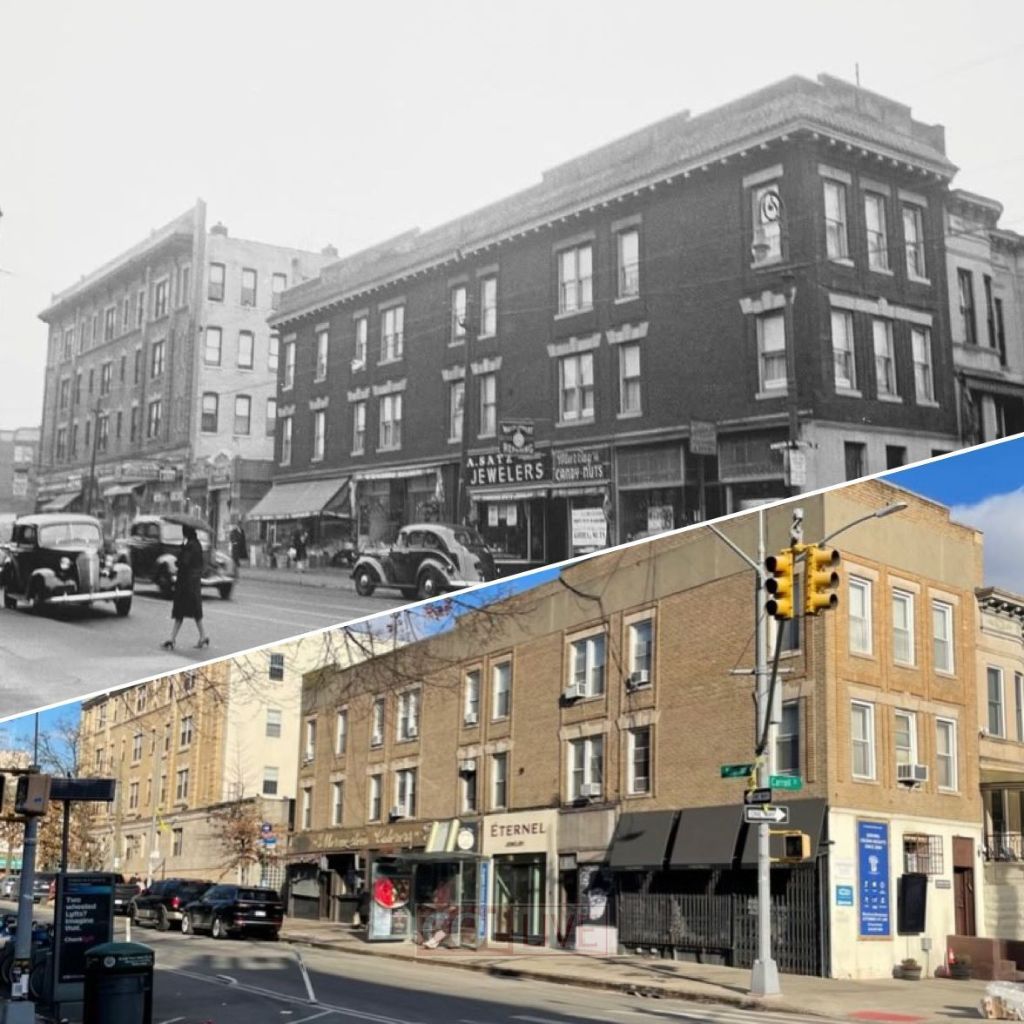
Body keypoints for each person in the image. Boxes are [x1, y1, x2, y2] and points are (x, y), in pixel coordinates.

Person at [162, 523, 209, 650]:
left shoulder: (189, 546)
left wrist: (181, 552)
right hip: (194, 582)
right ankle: (201, 636)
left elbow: (183, 563)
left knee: (180, 611)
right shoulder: (197, 544)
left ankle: (173, 639)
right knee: (194, 611)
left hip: (185, 583)